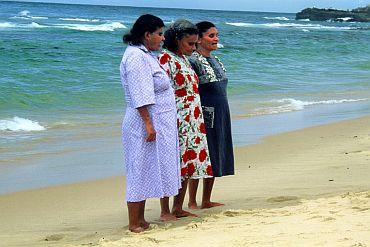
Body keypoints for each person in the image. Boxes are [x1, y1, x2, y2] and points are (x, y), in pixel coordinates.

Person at [120, 14, 181, 232]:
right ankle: (134, 222)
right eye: (160, 34)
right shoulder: (136, 57)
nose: (163, 38)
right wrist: (148, 123)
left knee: (146, 169)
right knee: (139, 169)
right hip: (143, 123)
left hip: (154, 121)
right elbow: (140, 94)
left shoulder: (145, 55)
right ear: (147, 35)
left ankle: (141, 219)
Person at [158, 19, 213, 218]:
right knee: (173, 164)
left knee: (187, 164)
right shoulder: (165, 59)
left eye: (195, 43)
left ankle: (178, 207)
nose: (194, 47)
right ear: (177, 39)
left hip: (192, 119)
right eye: (190, 43)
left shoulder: (183, 59)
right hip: (177, 118)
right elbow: (162, 92)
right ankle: (165, 210)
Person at [188, 21, 235, 209]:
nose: (216, 39)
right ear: (198, 39)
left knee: (215, 154)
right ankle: (191, 201)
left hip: (222, 112)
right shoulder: (193, 61)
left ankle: (206, 199)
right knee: (201, 156)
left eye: (216, 35)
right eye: (211, 36)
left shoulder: (216, 60)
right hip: (205, 114)